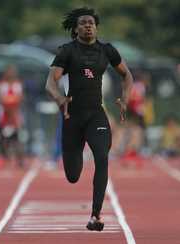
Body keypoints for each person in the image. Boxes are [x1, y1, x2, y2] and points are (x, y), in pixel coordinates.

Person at [45, 7, 133, 231]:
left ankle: (96, 214)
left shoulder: (107, 50)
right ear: (76, 28)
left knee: (102, 157)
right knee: (73, 175)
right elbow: (50, 82)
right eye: (83, 23)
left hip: (96, 115)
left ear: (96, 27)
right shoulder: (67, 51)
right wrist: (60, 99)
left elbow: (126, 75)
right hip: (72, 117)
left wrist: (125, 98)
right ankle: (76, 157)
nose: (88, 25)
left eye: (91, 23)